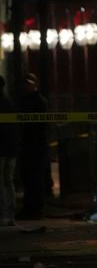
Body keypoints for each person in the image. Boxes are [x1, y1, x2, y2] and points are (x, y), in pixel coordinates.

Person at [18, 73, 49, 220]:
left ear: (36, 84)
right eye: (26, 84)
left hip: (37, 145)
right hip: (27, 144)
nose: (28, 86)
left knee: (36, 178)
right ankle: (29, 208)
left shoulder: (40, 101)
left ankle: (36, 208)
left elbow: (41, 126)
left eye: (30, 83)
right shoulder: (24, 101)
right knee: (28, 178)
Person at [0, 76, 19, 226]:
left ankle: (3, 213)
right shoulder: (10, 103)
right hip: (11, 150)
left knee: (2, 181)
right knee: (8, 180)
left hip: (1, 149)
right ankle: (10, 214)